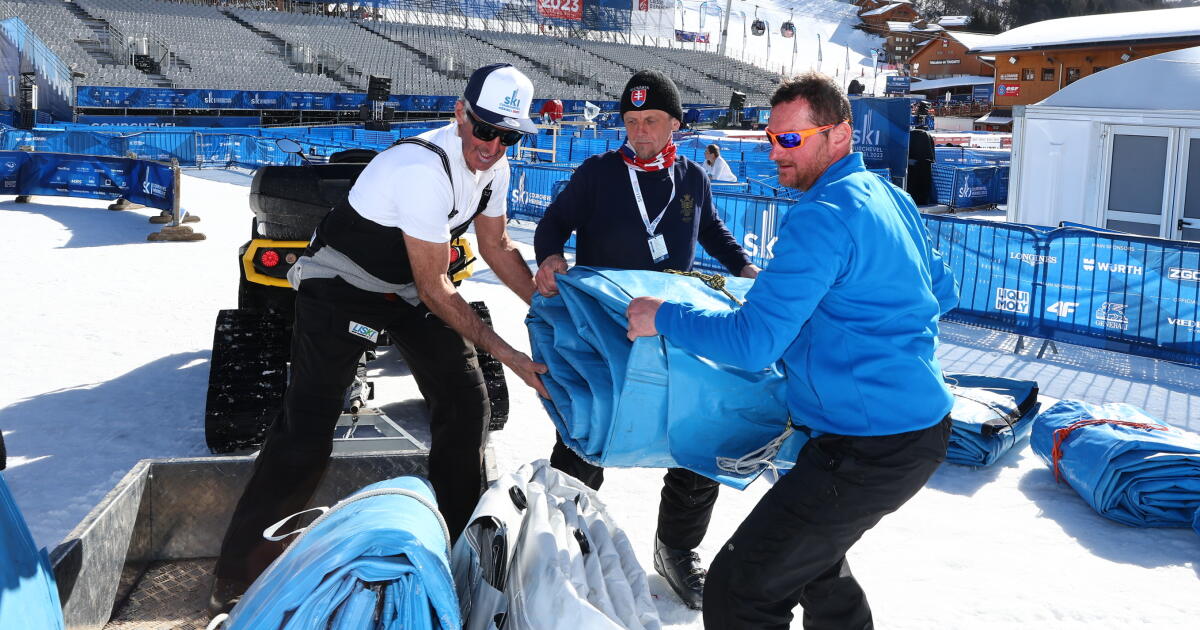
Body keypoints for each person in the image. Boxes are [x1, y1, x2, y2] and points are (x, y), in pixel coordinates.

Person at [209, 63, 548, 615]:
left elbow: (497, 245)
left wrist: (548, 308)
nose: (492, 146)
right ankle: (239, 576)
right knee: (308, 426)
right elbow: (437, 289)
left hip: (405, 291)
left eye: (508, 135)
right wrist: (510, 355)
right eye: (484, 129)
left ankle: (458, 552)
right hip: (342, 288)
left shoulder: (495, 166)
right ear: (460, 113)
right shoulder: (423, 168)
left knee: (466, 404)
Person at [626, 71, 958, 629]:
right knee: (816, 571)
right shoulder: (888, 195)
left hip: (867, 443)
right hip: (906, 427)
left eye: (790, 139)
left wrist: (663, 315)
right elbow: (942, 292)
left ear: (840, 137)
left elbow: (753, 342)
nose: (775, 152)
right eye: (770, 137)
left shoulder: (822, 216)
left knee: (741, 592)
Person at [532, 69, 760, 611]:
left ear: (675, 123)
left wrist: (744, 268)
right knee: (590, 429)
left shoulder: (692, 179)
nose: (640, 132)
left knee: (699, 433)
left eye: (651, 121)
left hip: (671, 328)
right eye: (632, 122)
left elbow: (712, 231)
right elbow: (553, 223)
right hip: (605, 329)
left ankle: (677, 549)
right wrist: (549, 255)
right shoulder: (597, 173)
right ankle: (562, 536)